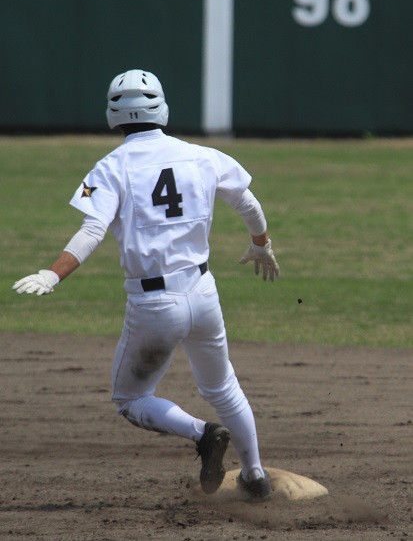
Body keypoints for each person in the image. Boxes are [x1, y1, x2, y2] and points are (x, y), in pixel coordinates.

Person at [13, 69, 280, 501]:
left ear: (112, 115)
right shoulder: (202, 154)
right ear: (162, 107)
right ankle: (254, 473)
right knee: (224, 386)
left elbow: (93, 228)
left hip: (155, 304)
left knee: (129, 398)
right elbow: (248, 202)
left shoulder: (111, 166)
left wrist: (52, 273)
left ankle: (202, 434)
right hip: (203, 292)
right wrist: (261, 244)